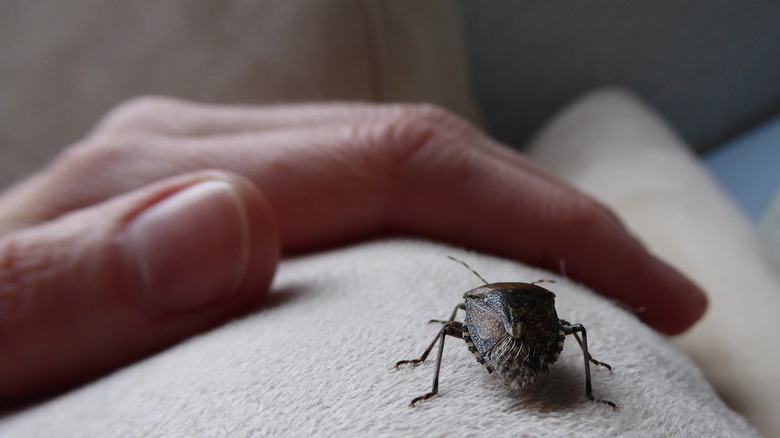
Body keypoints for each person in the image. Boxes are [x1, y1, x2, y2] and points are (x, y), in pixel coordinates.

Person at [0, 98, 707, 404]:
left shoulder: (469, 312)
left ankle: (430, 382)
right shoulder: (543, 308)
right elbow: (564, 330)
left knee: (444, 334)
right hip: (545, 339)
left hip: (508, 332)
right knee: (571, 334)